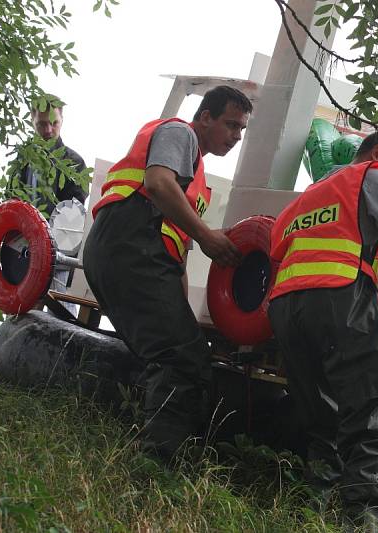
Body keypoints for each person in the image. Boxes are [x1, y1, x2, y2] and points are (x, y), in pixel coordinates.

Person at [82, 85, 248, 462]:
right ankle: (158, 463)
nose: (236, 137)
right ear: (204, 117)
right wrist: (207, 235)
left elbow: (179, 250)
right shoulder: (179, 134)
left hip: (137, 254)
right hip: (129, 244)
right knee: (181, 357)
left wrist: (184, 312)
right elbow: (157, 184)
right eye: (231, 125)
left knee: (176, 347)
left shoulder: (196, 179)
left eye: (242, 130)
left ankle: (163, 442)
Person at [267, 131, 378, 532]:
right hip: (339, 297)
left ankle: (310, 506)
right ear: (376, 154)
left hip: (286, 306)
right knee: (372, 409)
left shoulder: (313, 193)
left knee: (321, 410)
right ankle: (366, 521)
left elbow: (275, 245)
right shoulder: (371, 175)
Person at [8, 96, 88, 314]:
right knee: (21, 316)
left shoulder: (74, 163)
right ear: (32, 120)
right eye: (42, 124)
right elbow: (9, 206)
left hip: (58, 254)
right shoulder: (21, 162)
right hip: (22, 251)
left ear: (62, 120)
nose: (49, 130)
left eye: (54, 123)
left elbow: (75, 215)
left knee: (61, 316)